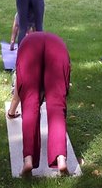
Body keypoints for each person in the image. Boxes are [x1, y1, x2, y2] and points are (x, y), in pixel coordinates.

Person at [14, 31, 71, 176]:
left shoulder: (26, 43)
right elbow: (64, 89)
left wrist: (11, 112)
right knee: (57, 106)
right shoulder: (56, 40)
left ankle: (28, 160)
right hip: (58, 47)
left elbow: (18, 94)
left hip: (29, 48)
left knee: (29, 103)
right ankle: (61, 160)